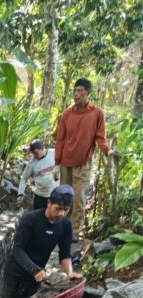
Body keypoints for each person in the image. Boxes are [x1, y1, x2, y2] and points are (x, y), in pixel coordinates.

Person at [55, 77, 111, 241]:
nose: (76, 94)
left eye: (80, 91)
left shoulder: (97, 113)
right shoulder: (67, 114)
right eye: (75, 91)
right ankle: (62, 226)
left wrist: (108, 151)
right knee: (64, 197)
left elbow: (100, 137)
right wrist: (57, 163)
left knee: (78, 198)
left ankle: (74, 231)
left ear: (88, 93)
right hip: (66, 162)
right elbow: (60, 139)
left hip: (84, 162)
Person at [17, 139, 57, 210]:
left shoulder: (54, 153)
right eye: (33, 153)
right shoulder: (32, 163)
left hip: (55, 195)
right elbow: (24, 179)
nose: (34, 155)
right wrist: (20, 194)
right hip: (40, 197)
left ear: (42, 148)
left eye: (36, 153)